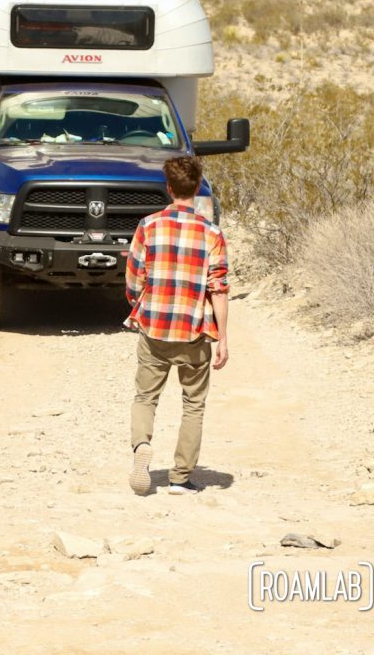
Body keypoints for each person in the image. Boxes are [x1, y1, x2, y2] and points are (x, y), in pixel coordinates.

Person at [125, 155, 229, 496]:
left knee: (145, 396)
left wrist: (142, 308)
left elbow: (134, 280)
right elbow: (218, 289)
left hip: (155, 327)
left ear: (168, 188)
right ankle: (181, 477)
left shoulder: (148, 226)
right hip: (194, 331)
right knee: (193, 404)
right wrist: (223, 339)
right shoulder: (212, 233)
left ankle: (141, 445)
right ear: (197, 188)